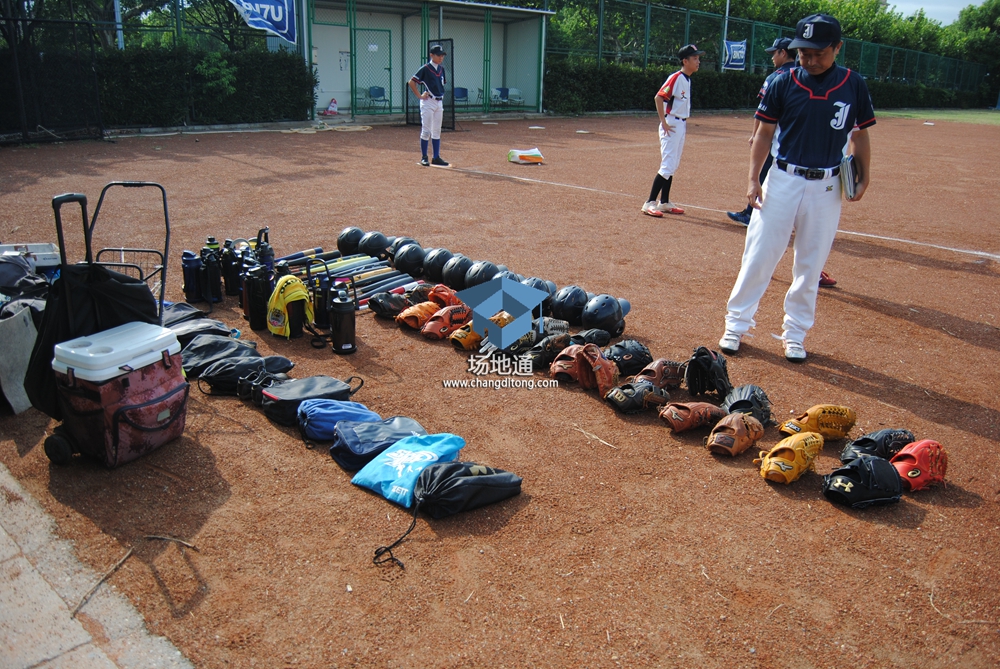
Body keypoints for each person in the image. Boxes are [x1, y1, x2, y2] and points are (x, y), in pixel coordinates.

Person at [718, 14, 874, 362]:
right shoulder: (783, 82)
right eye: (803, 52)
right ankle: (736, 324)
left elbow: (860, 134)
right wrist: (753, 179)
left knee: (810, 263)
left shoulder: (853, 84)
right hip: (783, 179)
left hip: (827, 186)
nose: (809, 59)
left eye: (819, 52)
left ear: (837, 48)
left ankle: (795, 334)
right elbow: (764, 134)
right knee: (759, 255)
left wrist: (864, 175)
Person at [726, 37, 838, 288]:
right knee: (808, 226)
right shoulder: (815, 78)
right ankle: (812, 269)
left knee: (769, 212)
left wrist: (755, 135)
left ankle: (758, 258)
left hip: (781, 154)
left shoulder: (779, 77)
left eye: (774, 53)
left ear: (783, 52)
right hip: (809, 160)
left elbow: (761, 114)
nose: (771, 57)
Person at [641, 44, 704, 218]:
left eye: (698, 58)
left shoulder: (688, 79)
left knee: (673, 164)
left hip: (680, 124)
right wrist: (663, 122)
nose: (698, 61)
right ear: (685, 61)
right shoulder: (676, 77)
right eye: (695, 58)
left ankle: (665, 202)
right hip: (671, 123)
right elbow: (659, 97)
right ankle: (650, 202)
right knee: (668, 164)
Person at [408, 44, 449, 167]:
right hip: (428, 102)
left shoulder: (441, 69)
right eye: (438, 55)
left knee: (436, 130)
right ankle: (424, 157)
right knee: (426, 130)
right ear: (431, 55)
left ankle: (436, 157)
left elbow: (441, 84)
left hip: (439, 101)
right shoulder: (425, 68)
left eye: (442, 55)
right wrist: (420, 96)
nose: (441, 57)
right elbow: (411, 82)